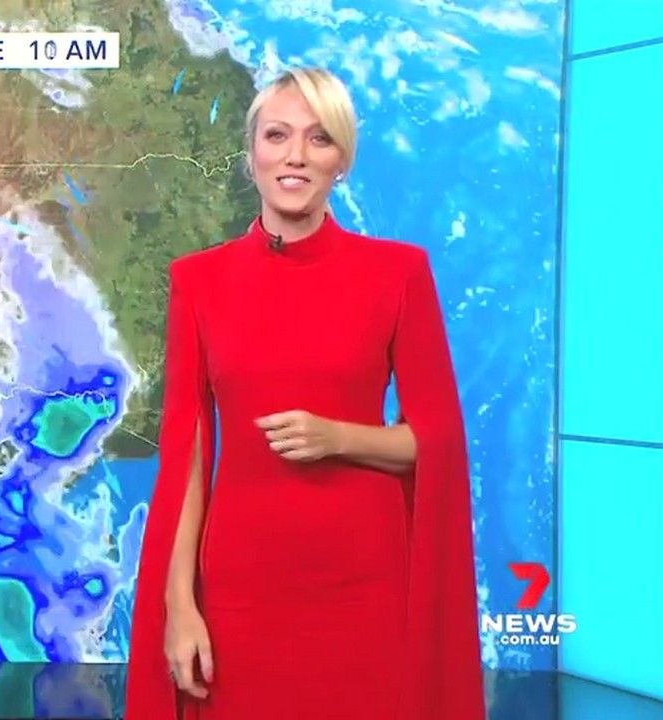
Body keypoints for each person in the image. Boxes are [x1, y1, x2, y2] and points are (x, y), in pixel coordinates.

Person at [122, 67, 486, 720]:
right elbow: (187, 460)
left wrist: (336, 437)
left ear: (341, 161)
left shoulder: (398, 273)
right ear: (252, 154)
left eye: (319, 139)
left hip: (365, 592)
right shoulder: (199, 282)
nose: (295, 155)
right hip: (239, 591)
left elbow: (438, 444)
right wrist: (179, 605)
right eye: (277, 135)